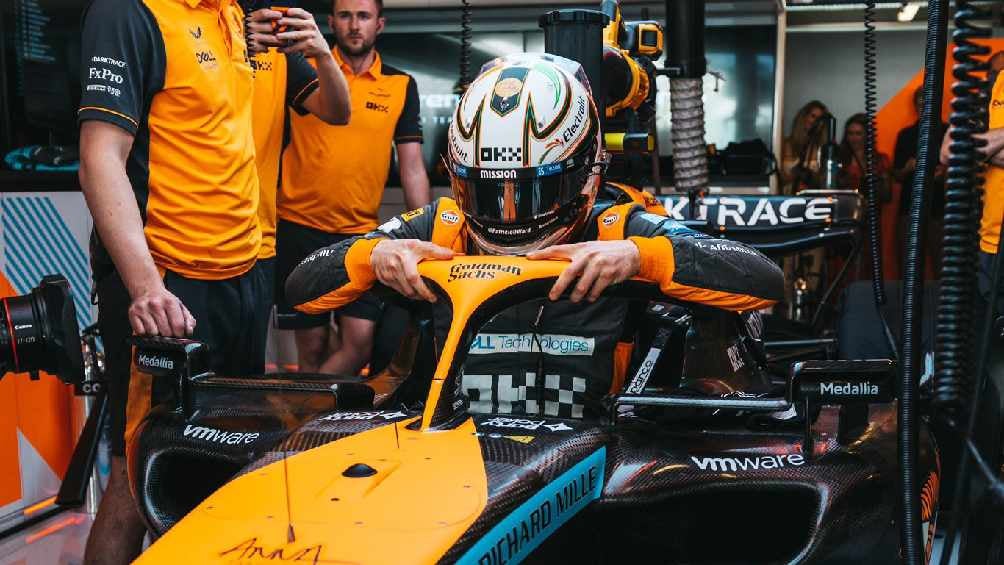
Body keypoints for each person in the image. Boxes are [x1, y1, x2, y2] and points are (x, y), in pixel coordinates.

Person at [284, 53, 784, 414]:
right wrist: (372, 257)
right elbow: (300, 288)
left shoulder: (617, 229)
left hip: (590, 461)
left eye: (530, 192)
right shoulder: (441, 226)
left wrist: (642, 259)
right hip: (451, 457)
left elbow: (763, 278)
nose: (507, 214)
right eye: (487, 191)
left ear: (586, 174)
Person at [77, 0, 273, 562]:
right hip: (169, 287)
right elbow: (99, 158)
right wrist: (145, 288)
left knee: (226, 464)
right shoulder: (129, 13)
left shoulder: (228, 13)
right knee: (138, 474)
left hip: (241, 277)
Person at [275, 0, 431, 375]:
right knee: (312, 347)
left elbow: (412, 167)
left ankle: (307, 405)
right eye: (345, 16)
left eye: (363, 16)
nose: (354, 25)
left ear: (380, 24)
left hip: (360, 234)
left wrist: (425, 231)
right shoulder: (303, 71)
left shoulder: (401, 85)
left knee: (359, 344)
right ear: (331, 22)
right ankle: (313, 412)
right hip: (298, 228)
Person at [244, 5, 351, 314]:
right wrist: (237, 41)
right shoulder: (187, 31)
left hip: (257, 239)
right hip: (190, 241)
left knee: (251, 347)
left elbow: (338, 112)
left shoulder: (274, 49)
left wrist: (323, 54)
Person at [893, 86, 946, 276]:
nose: (925, 108)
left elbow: (965, 170)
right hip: (910, 207)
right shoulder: (905, 135)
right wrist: (907, 168)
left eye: (929, 103)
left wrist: (944, 172)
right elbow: (896, 175)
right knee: (908, 267)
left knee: (943, 266)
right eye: (921, 103)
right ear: (915, 106)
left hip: (940, 209)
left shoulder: (949, 132)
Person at [837, 113, 893, 282]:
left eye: (858, 133)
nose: (854, 138)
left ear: (867, 136)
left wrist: (877, 183)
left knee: (867, 266)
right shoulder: (839, 159)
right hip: (842, 221)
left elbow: (887, 195)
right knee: (841, 266)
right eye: (850, 133)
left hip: (869, 222)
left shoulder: (879, 161)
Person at [781, 100, 829, 193]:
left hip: (813, 198)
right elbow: (776, 179)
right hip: (787, 197)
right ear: (803, 117)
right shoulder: (785, 144)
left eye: (820, 119)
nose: (815, 121)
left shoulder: (824, 148)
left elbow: (827, 182)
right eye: (813, 116)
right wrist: (795, 175)